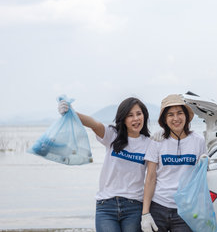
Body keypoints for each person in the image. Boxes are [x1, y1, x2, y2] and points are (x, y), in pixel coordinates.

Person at [58, 97, 151, 232]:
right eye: (130, 115)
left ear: (144, 115)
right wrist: (72, 113)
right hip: (106, 206)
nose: (136, 119)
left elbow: (153, 177)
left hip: (134, 207)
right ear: (123, 119)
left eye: (139, 114)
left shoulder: (150, 144)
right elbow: (94, 124)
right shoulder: (113, 135)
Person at [141, 94, 207, 232]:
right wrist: (145, 213)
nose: (176, 118)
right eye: (170, 114)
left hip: (185, 209)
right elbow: (150, 177)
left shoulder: (198, 141)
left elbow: (200, 179)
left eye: (179, 113)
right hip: (158, 206)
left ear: (186, 116)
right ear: (165, 119)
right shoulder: (157, 141)